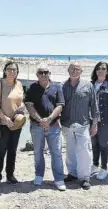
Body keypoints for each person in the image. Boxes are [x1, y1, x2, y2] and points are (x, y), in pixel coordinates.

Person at [24, 63, 66, 191]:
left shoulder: (57, 87)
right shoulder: (32, 88)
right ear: (37, 75)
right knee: (37, 152)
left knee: (57, 153)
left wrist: (49, 119)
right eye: (41, 72)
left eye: (46, 72)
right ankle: (39, 175)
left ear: (49, 73)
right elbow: (29, 106)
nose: (43, 74)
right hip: (37, 126)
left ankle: (59, 179)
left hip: (53, 126)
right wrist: (40, 120)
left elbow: (60, 105)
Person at [61, 61, 99, 190]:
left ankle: (84, 177)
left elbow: (94, 106)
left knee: (84, 151)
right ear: (68, 70)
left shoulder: (88, 86)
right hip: (66, 124)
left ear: (81, 72)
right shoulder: (62, 86)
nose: (74, 71)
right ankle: (72, 173)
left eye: (77, 69)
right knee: (70, 150)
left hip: (83, 124)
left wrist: (94, 124)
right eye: (72, 68)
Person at [0, 60, 25, 188]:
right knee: (1, 150)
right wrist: (5, 118)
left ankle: (10, 175)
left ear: (17, 72)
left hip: (17, 123)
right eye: (9, 69)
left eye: (14, 70)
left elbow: (21, 100)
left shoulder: (19, 84)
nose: (11, 72)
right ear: (5, 71)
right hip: (3, 123)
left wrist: (22, 106)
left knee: (13, 150)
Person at [90, 61, 108, 180]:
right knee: (94, 144)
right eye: (98, 68)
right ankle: (95, 164)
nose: (101, 70)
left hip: (105, 121)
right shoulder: (90, 85)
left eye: (103, 68)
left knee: (103, 144)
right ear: (95, 71)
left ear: (107, 71)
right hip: (92, 121)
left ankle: (104, 168)